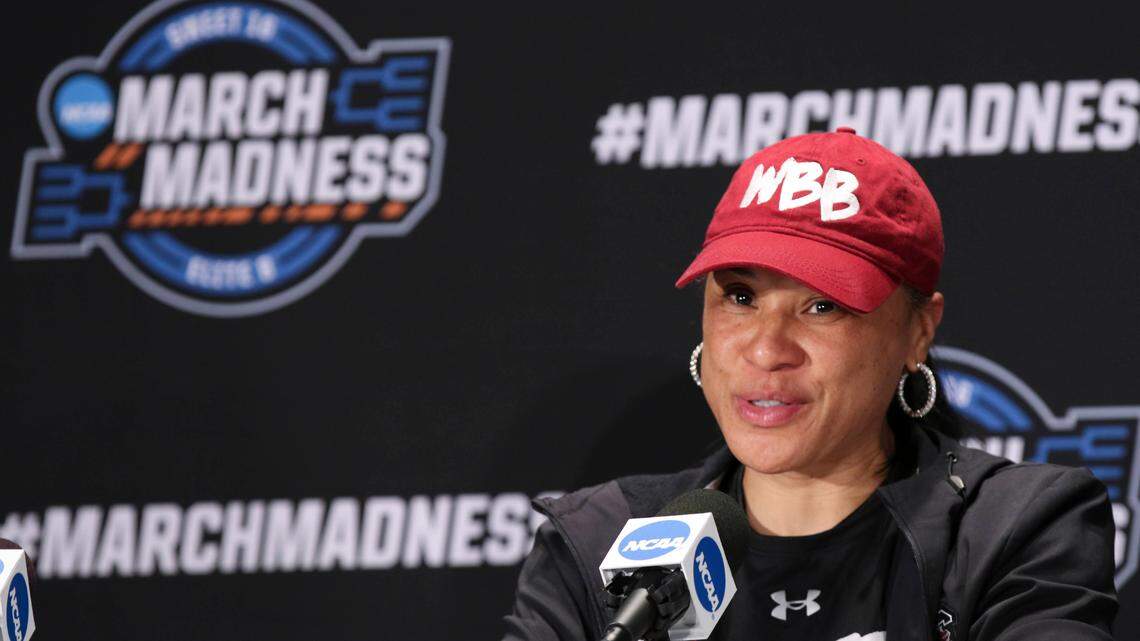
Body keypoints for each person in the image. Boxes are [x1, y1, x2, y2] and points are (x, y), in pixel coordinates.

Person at [502, 128, 1118, 641]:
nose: (767, 350)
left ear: (917, 332)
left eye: (823, 306)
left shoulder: (1013, 528)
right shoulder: (596, 542)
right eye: (740, 297)